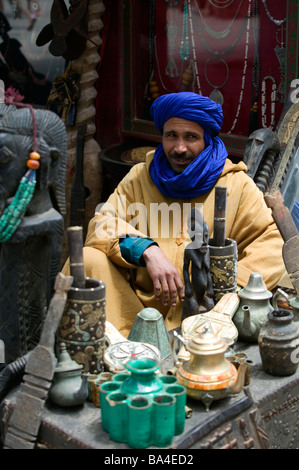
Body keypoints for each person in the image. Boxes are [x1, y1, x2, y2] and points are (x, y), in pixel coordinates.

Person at [64, 92, 285, 338]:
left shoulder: (236, 184)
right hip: (136, 311)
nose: (179, 148)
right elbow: (101, 225)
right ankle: (110, 355)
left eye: (191, 137)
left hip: (208, 318)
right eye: (171, 136)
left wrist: (225, 295)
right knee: (86, 259)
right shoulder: (140, 177)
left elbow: (272, 243)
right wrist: (147, 250)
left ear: (207, 139)